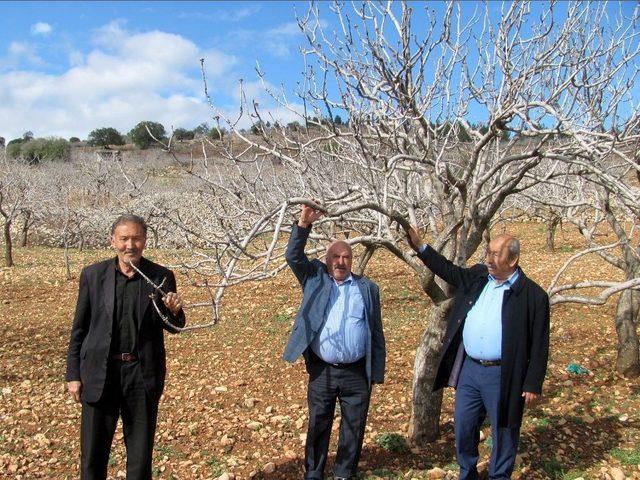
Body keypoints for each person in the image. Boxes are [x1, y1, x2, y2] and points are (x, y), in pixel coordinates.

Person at [405, 227, 549, 480]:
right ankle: (467, 472)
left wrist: (533, 383)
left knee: (504, 429)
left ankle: (499, 475)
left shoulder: (532, 296)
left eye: (495, 254)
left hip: (503, 373)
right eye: (488, 253)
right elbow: (449, 271)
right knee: (464, 425)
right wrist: (421, 248)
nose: (489, 259)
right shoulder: (478, 278)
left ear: (513, 259)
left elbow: (540, 343)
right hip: (470, 370)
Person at [66, 214, 186, 480]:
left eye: (136, 238)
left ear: (145, 241)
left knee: (140, 460)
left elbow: (173, 325)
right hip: (100, 374)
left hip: (141, 375)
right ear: (113, 241)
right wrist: (73, 374)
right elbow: (79, 329)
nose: (130, 245)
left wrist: (175, 311)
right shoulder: (93, 275)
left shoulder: (160, 276)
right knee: (92, 458)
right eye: (124, 239)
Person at [283, 204, 386, 480]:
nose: (341, 262)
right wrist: (303, 224)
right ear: (327, 261)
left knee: (354, 427)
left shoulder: (368, 288)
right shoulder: (315, 278)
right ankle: (314, 473)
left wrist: (376, 372)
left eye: (347, 257)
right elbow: (293, 256)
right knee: (318, 424)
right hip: (323, 370)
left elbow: (376, 332)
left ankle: (343, 473)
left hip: (356, 372)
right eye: (336, 257)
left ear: (352, 261)